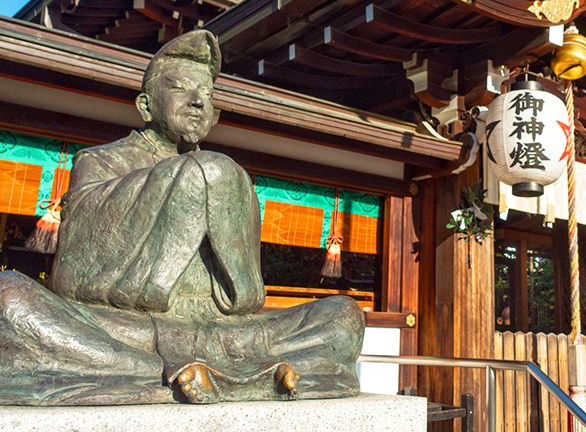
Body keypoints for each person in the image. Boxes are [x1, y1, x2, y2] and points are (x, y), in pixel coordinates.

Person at [0, 30, 364, 406]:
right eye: (182, 90)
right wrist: (188, 181)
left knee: (343, 317)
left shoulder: (230, 179)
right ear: (145, 105)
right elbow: (74, 275)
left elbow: (245, 296)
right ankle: (196, 373)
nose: (198, 102)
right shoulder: (102, 162)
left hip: (227, 332)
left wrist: (213, 182)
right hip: (133, 331)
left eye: (207, 96)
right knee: (7, 296)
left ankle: (198, 374)